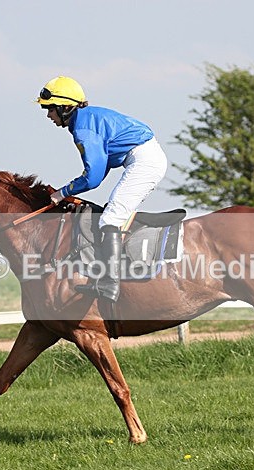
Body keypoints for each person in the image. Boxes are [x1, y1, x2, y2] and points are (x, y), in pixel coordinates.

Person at [37, 76, 168, 302]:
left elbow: (93, 178)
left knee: (110, 219)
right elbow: (100, 167)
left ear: (65, 107)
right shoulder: (85, 120)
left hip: (144, 160)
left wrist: (62, 193)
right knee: (111, 213)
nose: (48, 115)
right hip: (143, 157)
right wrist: (71, 190)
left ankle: (110, 284)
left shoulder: (83, 128)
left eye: (50, 109)